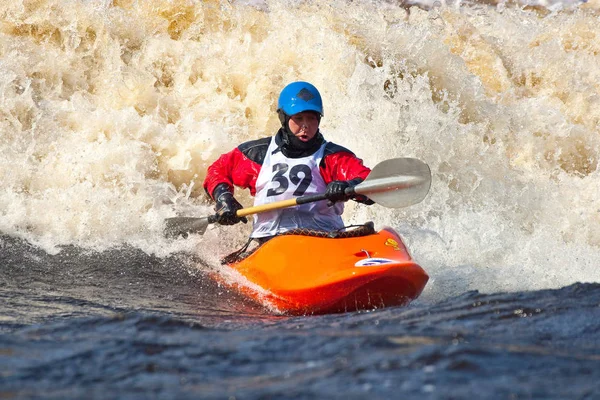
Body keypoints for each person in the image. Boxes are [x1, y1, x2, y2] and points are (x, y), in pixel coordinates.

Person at [203, 81, 373, 241]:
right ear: (284, 118)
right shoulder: (257, 155)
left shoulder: (334, 157)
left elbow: (370, 182)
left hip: (324, 238)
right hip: (270, 242)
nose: (305, 125)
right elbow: (218, 170)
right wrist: (224, 197)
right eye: (298, 118)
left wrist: (349, 187)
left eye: (311, 118)